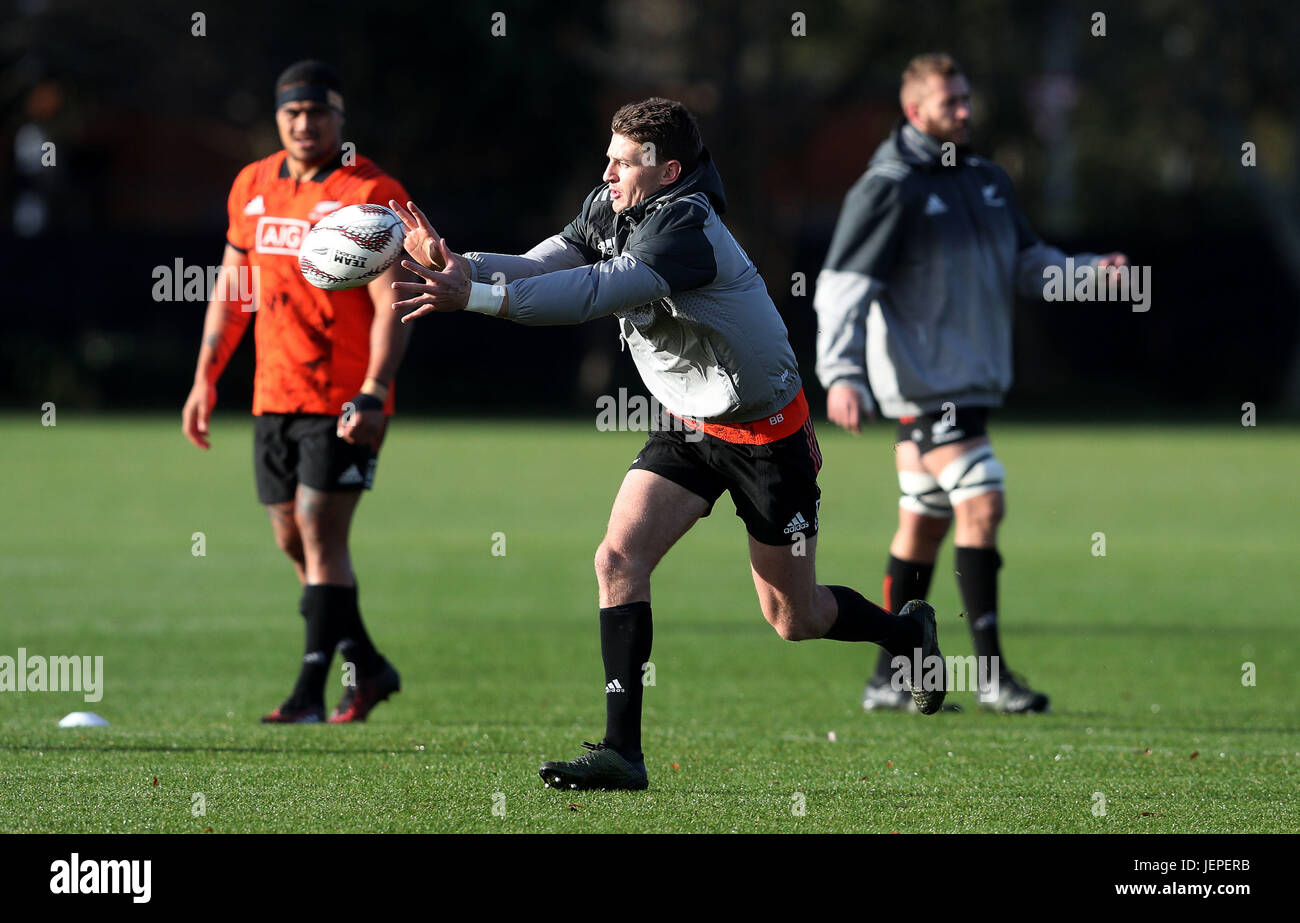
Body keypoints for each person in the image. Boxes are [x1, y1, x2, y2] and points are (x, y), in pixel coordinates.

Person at [387, 97, 946, 792]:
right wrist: (458, 262)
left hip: (768, 436)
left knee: (794, 618)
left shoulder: (686, 227)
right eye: (609, 156)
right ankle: (623, 752)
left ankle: (905, 635)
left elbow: (592, 290)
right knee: (618, 557)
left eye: (623, 161)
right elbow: (547, 262)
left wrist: (471, 297)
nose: (607, 171)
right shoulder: (614, 203)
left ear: (668, 169)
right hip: (689, 422)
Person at [813, 53, 1128, 713]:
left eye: (965, 98)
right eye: (949, 101)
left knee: (923, 525)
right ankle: (990, 674)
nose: (963, 110)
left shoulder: (986, 179)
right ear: (914, 111)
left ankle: (889, 676)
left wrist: (1089, 271)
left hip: (972, 384)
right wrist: (841, 373)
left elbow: (1027, 265)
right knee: (983, 501)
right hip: (928, 389)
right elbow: (844, 290)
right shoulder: (888, 186)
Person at [181, 60, 412, 724]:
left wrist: (373, 390)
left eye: (319, 112)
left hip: (344, 398)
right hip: (272, 393)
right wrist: (205, 377)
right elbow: (233, 290)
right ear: (277, 117)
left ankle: (310, 692)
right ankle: (367, 665)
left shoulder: (369, 190)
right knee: (292, 538)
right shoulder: (252, 185)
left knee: (319, 530)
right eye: (293, 113)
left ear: (339, 118)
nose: (305, 124)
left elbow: (392, 303)